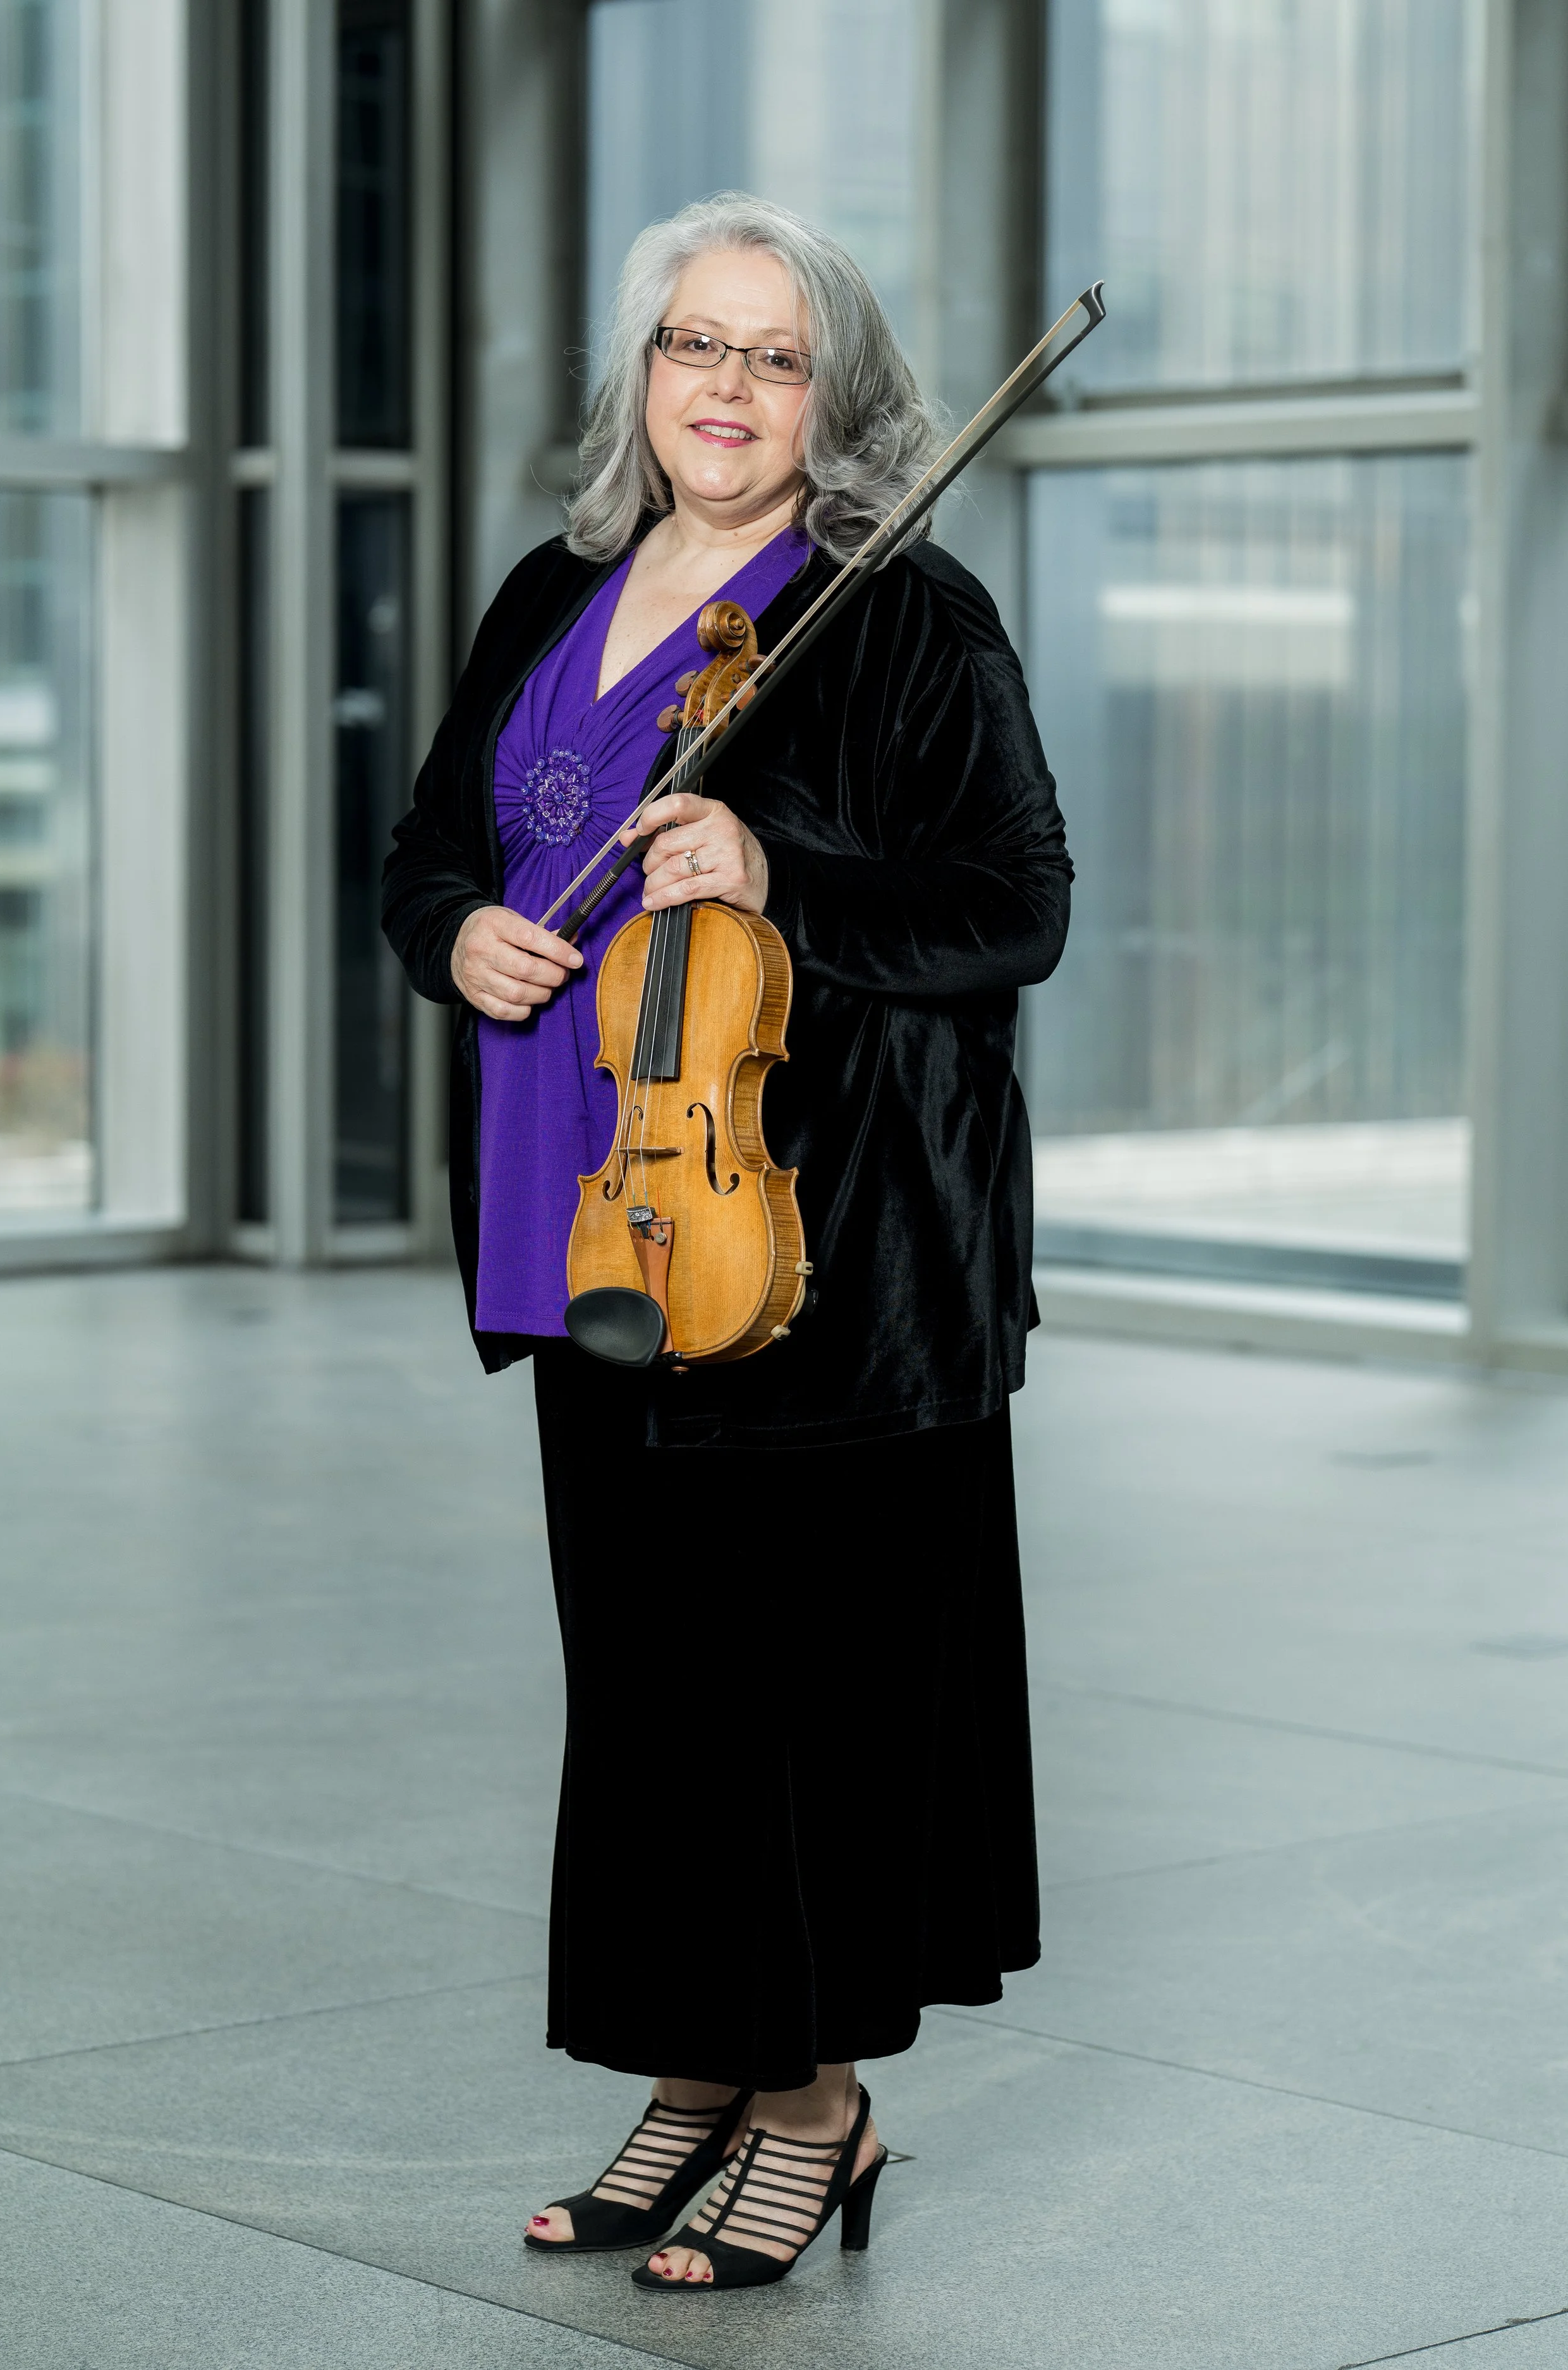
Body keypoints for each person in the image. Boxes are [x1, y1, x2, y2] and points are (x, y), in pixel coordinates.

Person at [380, 190, 1071, 2294]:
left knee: (803, 1699)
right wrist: (456, 936)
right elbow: (430, 847)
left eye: (775, 357)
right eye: (696, 343)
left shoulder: (900, 615)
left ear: (831, 395)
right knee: (655, 1688)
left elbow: (1013, 904)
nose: (727, 388)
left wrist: (782, 868)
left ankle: (813, 2108)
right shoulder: (551, 589)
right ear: (641, 373)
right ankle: (696, 2072)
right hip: (576, 1206)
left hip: (817, 1250)